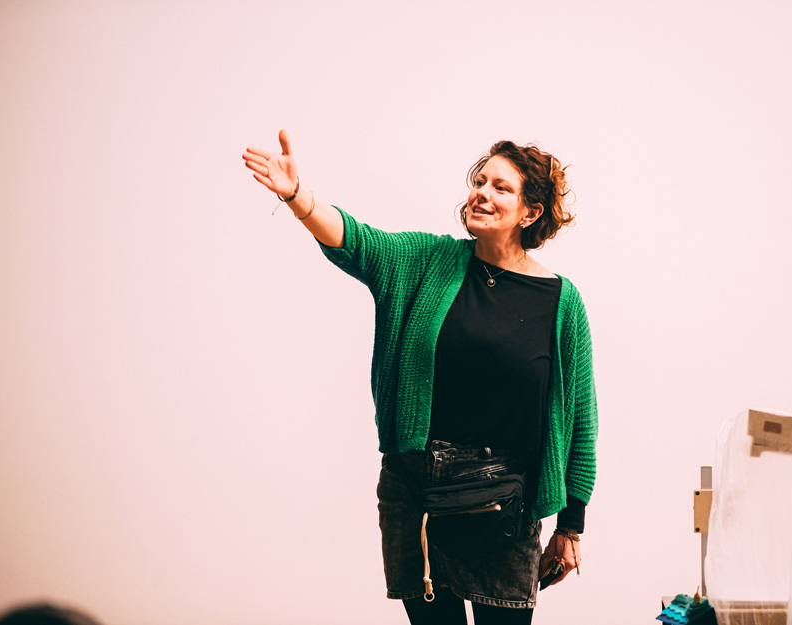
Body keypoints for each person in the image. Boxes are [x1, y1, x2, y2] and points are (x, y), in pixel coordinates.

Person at [242, 130, 598, 625]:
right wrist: (298, 195)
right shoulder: (425, 261)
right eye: (479, 181)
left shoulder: (560, 302)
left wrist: (571, 525)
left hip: (503, 505)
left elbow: (580, 419)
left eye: (500, 187)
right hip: (417, 494)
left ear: (530, 212)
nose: (481, 193)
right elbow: (356, 240)